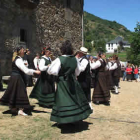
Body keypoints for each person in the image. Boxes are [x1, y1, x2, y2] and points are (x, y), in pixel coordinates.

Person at [47, 40, 92, 124]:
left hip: (62, 82)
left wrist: (61, 73)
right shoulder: (75, 59)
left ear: (62, 49)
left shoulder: (59, 59)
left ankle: (64, 120)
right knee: (73, 99)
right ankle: (74, 118)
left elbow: (52, 71)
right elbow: (78, 72)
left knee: (63, 100)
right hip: (73, 81)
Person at [0, 47, 40, 116]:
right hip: (17, 78)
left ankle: (14, 108)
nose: (24, 51)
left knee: (15, 92)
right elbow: (26, 70)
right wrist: (35, 71)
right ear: (20, 51)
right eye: (23, 50)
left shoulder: (19, 59)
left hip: (15, 77)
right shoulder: (18, 60)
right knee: (21, 93)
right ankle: (20, 110)